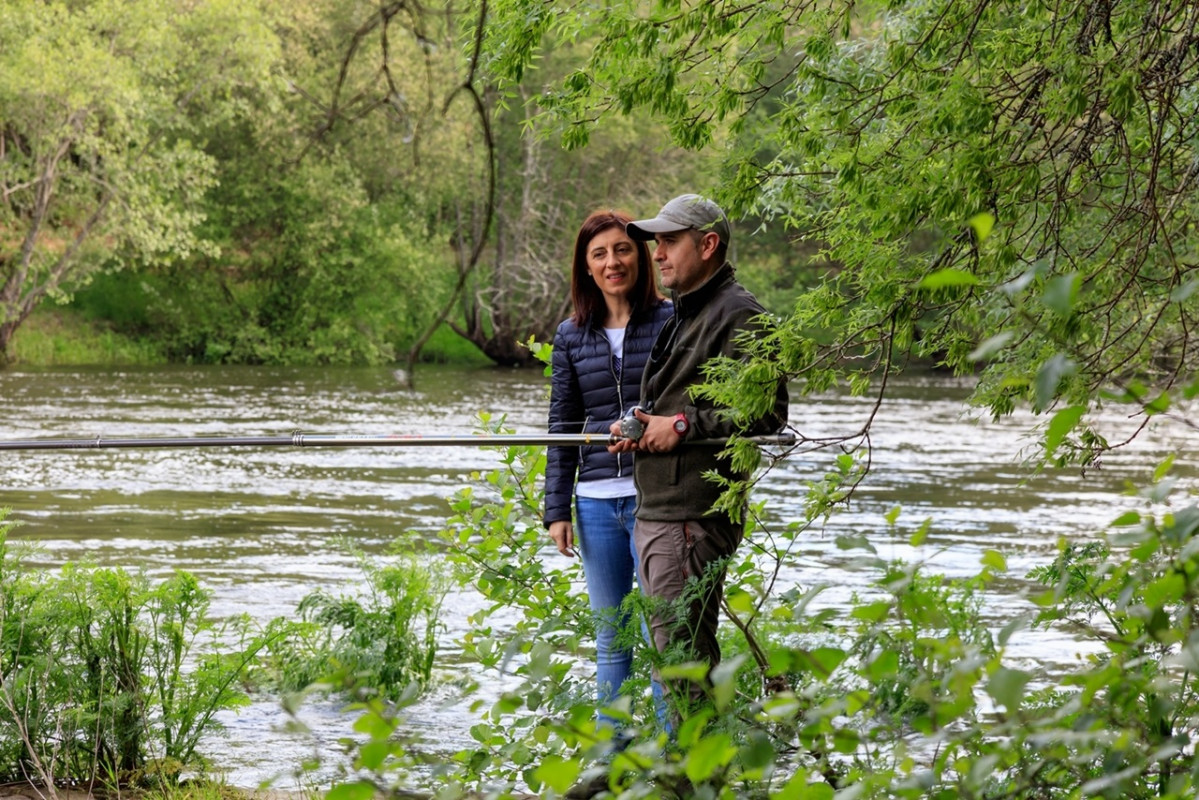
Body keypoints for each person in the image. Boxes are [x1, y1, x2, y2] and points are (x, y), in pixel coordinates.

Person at [608, 193, 789, 714]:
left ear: (707, 244)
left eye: (669, 241)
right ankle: (689, 778)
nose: (657, 253)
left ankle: (697, 784)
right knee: (678, 665)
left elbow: (767, 413)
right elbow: (678, 400)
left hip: (690, 518)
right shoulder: (686, 312)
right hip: (663, 511)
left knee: (685, 670)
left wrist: (683, 426)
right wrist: (642, 425)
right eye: (656, 242)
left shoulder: (740, 314)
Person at [544, 209, 673, 727]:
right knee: (611, 638)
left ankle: (674, 760)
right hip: (595, 502)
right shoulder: (571, 336)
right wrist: (556, 508)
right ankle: (609, 762)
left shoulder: (672, 320)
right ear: (586, 268)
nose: (612, 261)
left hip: (657, 497)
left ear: (638, 257)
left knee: (664, 634)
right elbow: (562, 424)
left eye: (621, 249)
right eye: (599, 254)